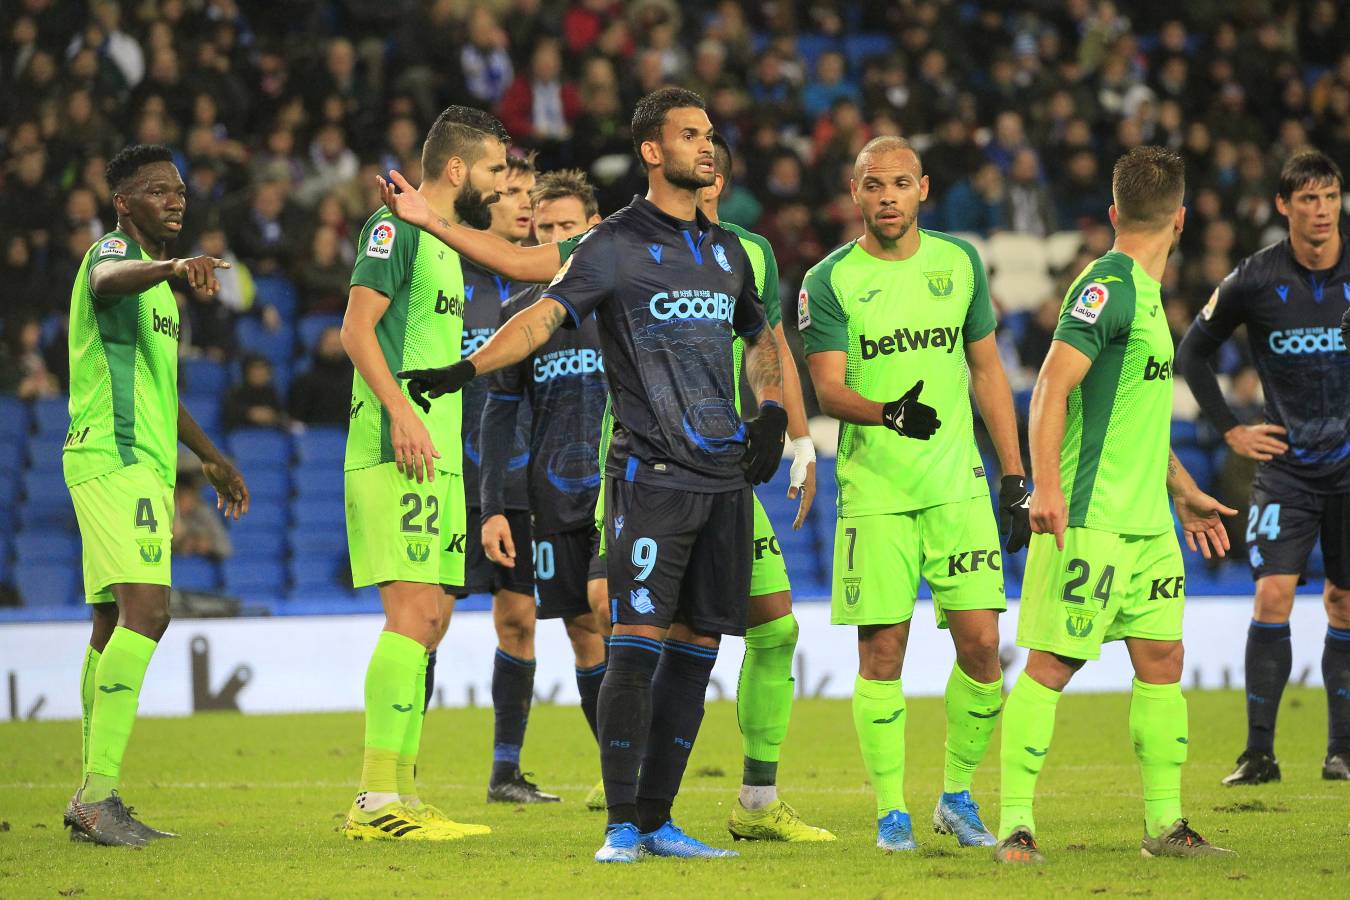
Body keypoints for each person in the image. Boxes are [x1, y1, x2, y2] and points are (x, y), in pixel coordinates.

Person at [380, 87, 787, 863]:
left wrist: (770, 410)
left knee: (699, 643)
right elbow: (539, 314)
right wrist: (467, 366)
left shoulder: (730, 249)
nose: (708, 147)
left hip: (723, 479)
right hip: (648, 475)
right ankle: (622, 826)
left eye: (710, 135)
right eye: (691, 136)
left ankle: (662, 818)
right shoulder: (612, 243)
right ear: (652, 151)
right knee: (630, 638)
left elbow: (762, 337)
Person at [995, 146, 1237, 865]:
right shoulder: (1108, 285)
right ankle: (1014, 826)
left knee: (1163, 658)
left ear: (1114, 213)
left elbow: (1129, 415)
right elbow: (1048, 388)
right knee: (1053, 663)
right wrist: (1045, 487)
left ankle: (1166, 825)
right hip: (1091, 517)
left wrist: (1183, 489)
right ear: (1183, 220)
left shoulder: (1147, 298)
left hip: (1149, 526)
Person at [799, 136, 1031, 853]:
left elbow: (988, 371)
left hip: (958, 487)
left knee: (984, 647)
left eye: (900, 183)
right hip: (876, 491)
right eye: (874, 185)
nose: (888, 197)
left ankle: (956, 797)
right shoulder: (829, 279)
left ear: (924, 188)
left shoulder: (958, 263)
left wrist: (1015, 475)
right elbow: (829, 387)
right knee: (883, 653)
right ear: (855, 192)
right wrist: (889, 412)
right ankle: (892, 812)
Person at [62, 144, 250, 846]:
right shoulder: (109, 256)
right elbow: (110, 277)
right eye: (158, 191)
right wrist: (170, 265)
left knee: (113, 621)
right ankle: (97, 796)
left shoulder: (161, 296)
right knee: (150, 610)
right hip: (110, 457)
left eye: (180, 191)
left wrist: (211, 458)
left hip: (139, 462)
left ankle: (91, 794)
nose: (177, 200)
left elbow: (163, 396)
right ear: (123, 201)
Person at [338, 105, 509, 842]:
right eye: (497, 170)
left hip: (438, 459)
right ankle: (375, 803)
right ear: (456, 168)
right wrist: (402, 415)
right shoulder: (396, 229)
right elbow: (354, 328)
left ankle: (403, 790)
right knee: (409, 616)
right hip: (394, 445)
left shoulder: (446, 246)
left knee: (434, 620)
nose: (504, 185)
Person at [1175, 148, 1350, 785]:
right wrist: (1231, 429)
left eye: (1329, 196)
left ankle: (1342, 753)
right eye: (1307, 198)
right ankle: (1259, 755)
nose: (1321, 209)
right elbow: (1193, 354)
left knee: (1344, 603)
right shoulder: (1253, 278)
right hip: (1287, 469)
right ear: (1284, 206)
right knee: (1273, 595)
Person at [478, 168, 609, 810]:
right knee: (584, 627)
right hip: (553, 497)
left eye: (569, 227)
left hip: (626, 491)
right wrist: (495, 506)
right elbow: (499, 412)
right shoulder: (518, 314)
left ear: (595, 226)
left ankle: (635, 759)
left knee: (613, 614)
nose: (558, 240)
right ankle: (622, 768)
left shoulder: (623, 296)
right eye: (546, 228)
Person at [446, 152, 550, 804]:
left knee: (519, 620)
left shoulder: (550, 287)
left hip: (518, 480)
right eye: (509, 191)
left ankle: (505, 771)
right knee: (424, 619)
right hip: (447, 475)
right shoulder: (447, 277)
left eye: (529, 193)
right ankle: (398, 781)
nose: (523, 204)